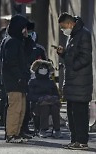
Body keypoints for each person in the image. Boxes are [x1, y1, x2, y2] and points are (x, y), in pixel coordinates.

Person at [56, 12, 93, 150]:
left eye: (63, 27)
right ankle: (75, 140)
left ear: (70, 23)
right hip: (73, 82)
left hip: (80, 82)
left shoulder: (83, 34)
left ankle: (82, 141)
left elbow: (85, 57)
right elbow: (72, 56)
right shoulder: (73, 36)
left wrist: (71, 65)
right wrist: (64, 54)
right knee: (71, 114)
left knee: (79, 114)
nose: (62, 30)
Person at [1, 14, 30, 143]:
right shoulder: (12, 41)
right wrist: (19, 76)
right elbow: (11, 62)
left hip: (19, 80)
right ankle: (11, 134)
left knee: (21, 108)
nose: (25, 31)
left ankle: (16, 133)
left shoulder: (16, 41)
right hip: (14, 80)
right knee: (15, 107)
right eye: (24, 28)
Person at [28, 60, 62, 138]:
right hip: (37, 104)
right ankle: (43, 129)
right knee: (45, 107)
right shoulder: (33, 82)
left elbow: (57, 94)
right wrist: (40, 98)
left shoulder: (50, 82)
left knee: (54, 108)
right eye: (41, 68)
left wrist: (53, 98)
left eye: (45, 68)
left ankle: (57, 130)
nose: (43, 69)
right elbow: (30, 96)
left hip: (51, 103)